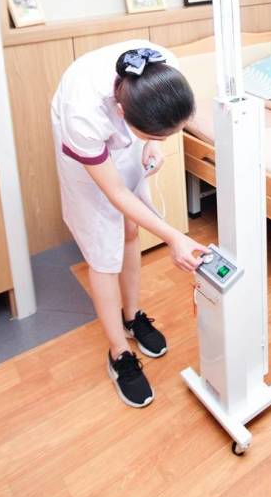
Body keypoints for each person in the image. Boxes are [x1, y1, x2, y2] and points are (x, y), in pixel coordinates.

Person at [51, 41, 204, 409]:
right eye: (155, 134)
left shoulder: (163, 71)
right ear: (121, 112)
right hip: (87, 154)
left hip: (132, 123)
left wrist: (152, 144)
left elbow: (160, 126)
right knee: (103, 253)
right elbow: (116, 193)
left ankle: (132, 317)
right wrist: (173, 236)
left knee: (130, 229)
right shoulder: (82, 116)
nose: (161, 139)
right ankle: (119, 352)